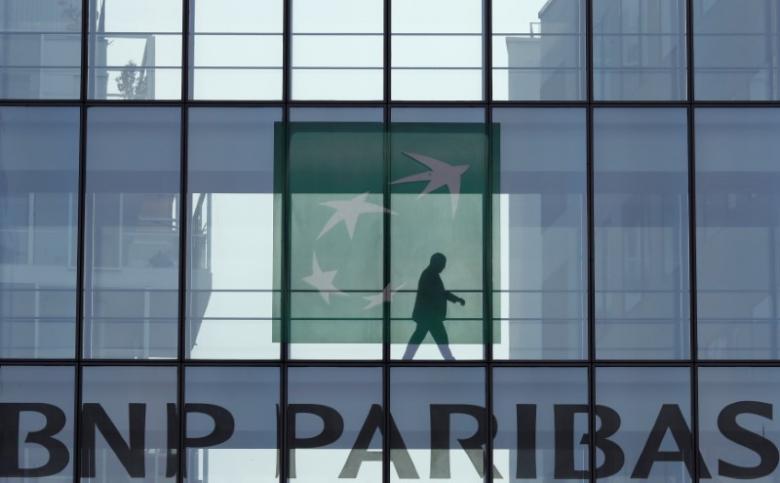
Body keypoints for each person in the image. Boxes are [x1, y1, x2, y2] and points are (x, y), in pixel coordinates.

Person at [402, 253, 465, 360]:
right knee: (439, 337)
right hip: (430, 315)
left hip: (427, 315)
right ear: (436, 263)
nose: (443, 267)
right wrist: (456, 299)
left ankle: (406, 359)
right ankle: (449, 359)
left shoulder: (429, 274)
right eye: (442, 264)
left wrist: (456, 299)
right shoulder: (431, 275)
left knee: (420, 337)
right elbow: (440, 294)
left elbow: (439, 293)